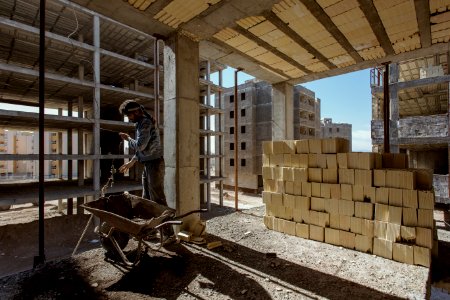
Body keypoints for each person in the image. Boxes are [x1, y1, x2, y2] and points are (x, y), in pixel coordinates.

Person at [118, 99, 168, 207]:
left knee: (157, 199)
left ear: (136, 112)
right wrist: (132, 161)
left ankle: (165, 223)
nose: (128, 118)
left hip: (154, 165)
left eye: (129, 115)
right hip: (150, 164)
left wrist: (128, 139)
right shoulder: (141, 123)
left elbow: (140, 146)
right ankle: (153, 222)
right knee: (147, 198)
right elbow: (146, 148)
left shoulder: (145, 123)